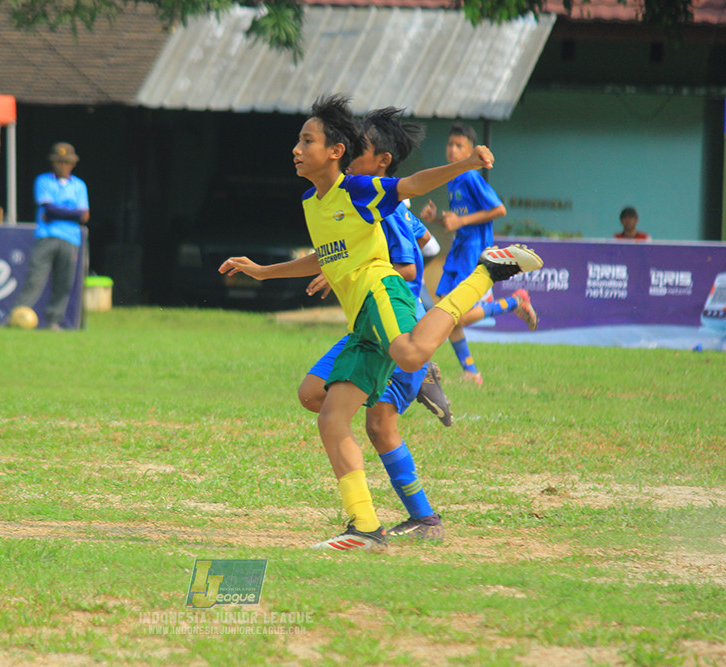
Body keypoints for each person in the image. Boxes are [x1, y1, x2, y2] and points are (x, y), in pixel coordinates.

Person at [219, 95, 543, 551]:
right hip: (361, 321)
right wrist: (264, 271)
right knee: (324, 408)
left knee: (410, 353)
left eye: (306, 140)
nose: (296, 147)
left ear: (335, 152)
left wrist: (467, 163)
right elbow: (326, 254)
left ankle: (488, 271)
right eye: (298, 140)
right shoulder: (313, 201)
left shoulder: (359, 188)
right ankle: (367, 528)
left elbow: (411, 184)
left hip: (380, 294)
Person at [295, 107, 451, 542]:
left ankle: (419, 519)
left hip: (393, 316)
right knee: (316, 396)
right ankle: (380, 525)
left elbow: (406, 268)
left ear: (379, 161)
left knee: (378, 423)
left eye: (355, 151)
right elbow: (431, 243)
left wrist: (342, 267)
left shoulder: (384, 207)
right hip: (365, 316)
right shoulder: (340, 200)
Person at [419, 123, 537, 386]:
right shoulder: (454, 178)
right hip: (459, 248)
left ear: (471, 150)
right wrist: (438, 218)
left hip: (473, 250)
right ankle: (470, 372)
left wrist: (460, 223)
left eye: (459, 145)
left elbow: (498, 209)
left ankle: (514, 303)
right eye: (450, 144)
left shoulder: (471, 176)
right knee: (445, 312)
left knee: (454, 314)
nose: (452, 149)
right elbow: (460, 219)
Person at [10, 142, 90, 331]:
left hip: (71, 238)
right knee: (35, 279)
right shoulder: (44, 181)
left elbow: (84, 216)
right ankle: (17, 315)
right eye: (58, 162)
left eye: (66, 162)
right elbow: (48, 209)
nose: (62, 166)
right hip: (47, 237)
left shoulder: (79, 185)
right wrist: (72, 213)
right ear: (53, 163)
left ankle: (54, 321)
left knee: (64, 282)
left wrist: (58, 213)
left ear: (73, 164)